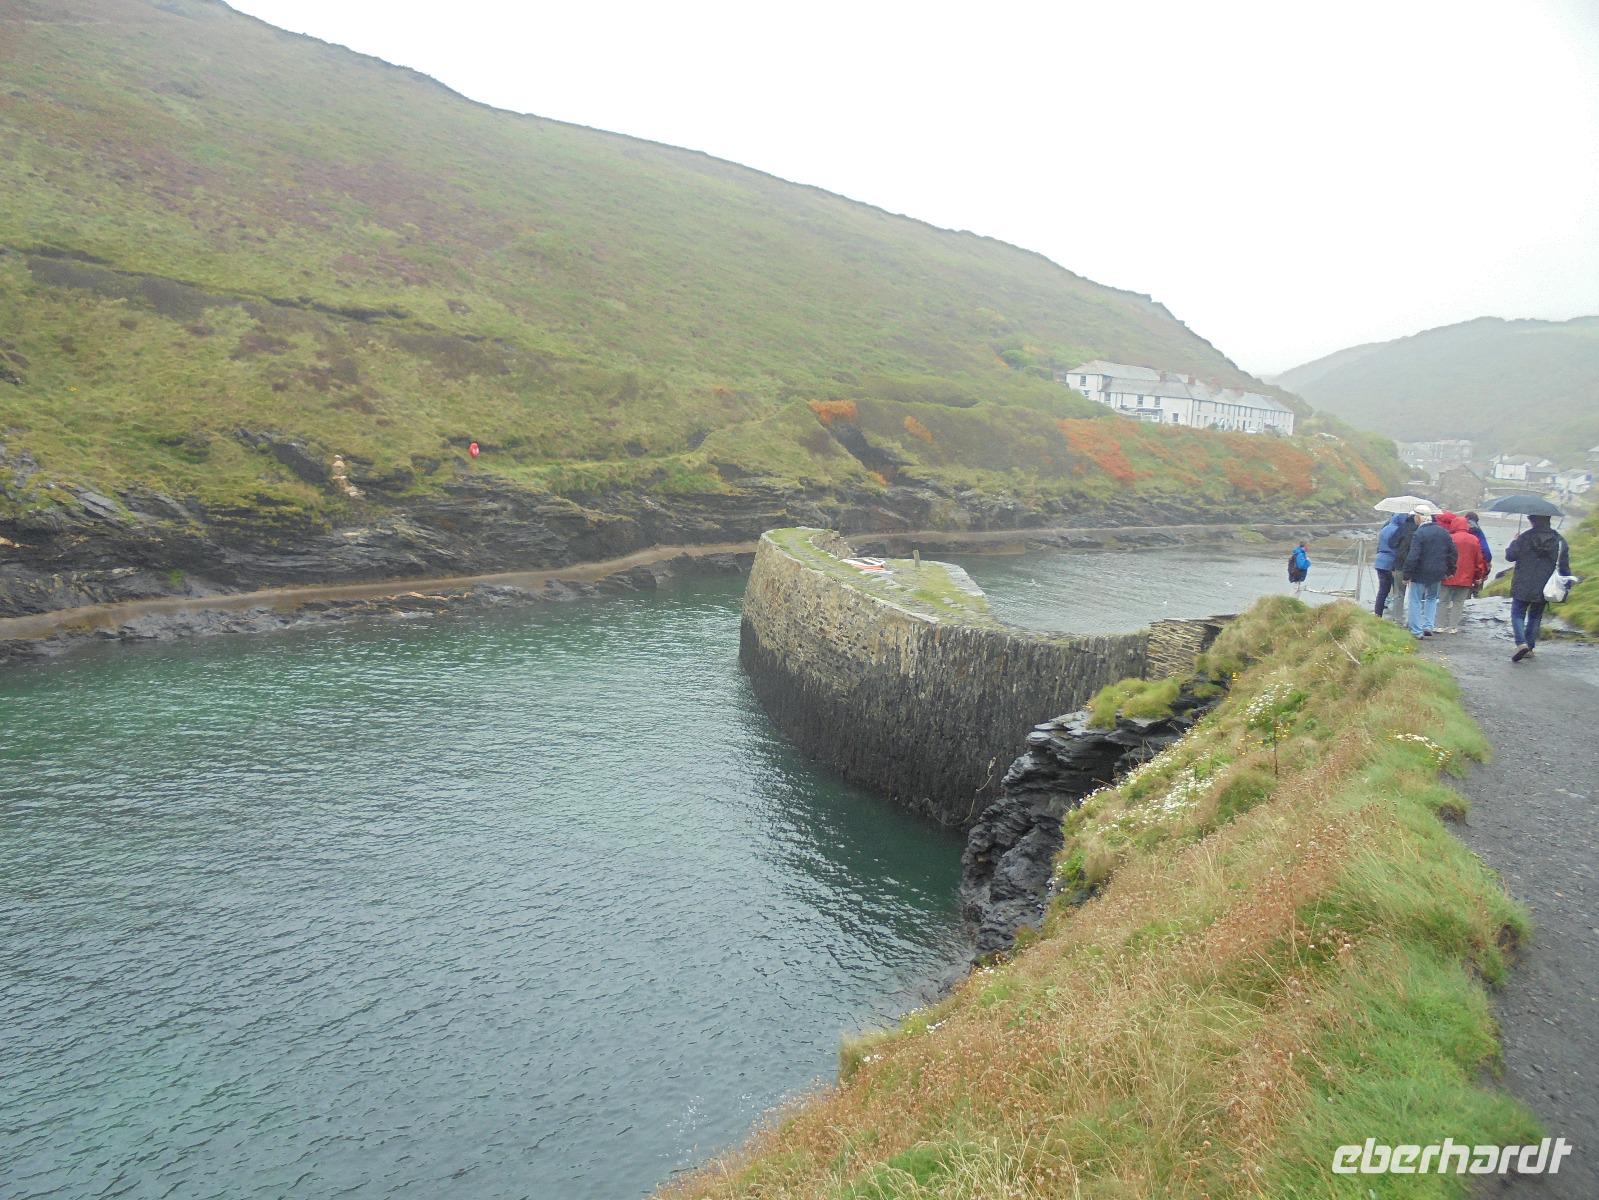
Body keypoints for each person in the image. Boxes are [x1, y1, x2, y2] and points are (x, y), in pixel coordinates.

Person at [1505, 514, 1572, 662]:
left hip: (1522, 582)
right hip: (1545, 584)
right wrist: (1567, 584)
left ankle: (1521, 643)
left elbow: (1510, 556)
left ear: (1533, 521)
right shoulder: (1559, 541)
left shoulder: (1524, 537)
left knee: (1517, 614)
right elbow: (1564, 566)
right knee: (1535, 616)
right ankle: (1529, 647)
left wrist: (1514, 541)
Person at [1403, 508, 1457, 639]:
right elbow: (1453, 553)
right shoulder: (1444, 532)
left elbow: (1413, 556)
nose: (1414, 519)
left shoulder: (1419, 534)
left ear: (1420, 517)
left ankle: (1416, 630)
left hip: (1420, 572)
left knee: (1415, 600)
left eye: (1415, 516)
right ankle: (1428, 625)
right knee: (1432, 599)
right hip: (1437, 573)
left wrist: (1407, 574)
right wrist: (1450, 570)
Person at [1436, 512, 1486, 633]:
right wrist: (1478, 576)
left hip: (1448, 576)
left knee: (1443, 601)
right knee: (1458, 602)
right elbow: (1479, 560)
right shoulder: (1474, 540)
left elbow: (1442, 556)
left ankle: (1439, 625)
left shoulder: (1449, 537)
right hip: (1466, 577)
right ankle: (1453, 627)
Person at [1372, 511, 1414, 619]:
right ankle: (1396, 616)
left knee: (1382, 590)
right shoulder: (1398, 530)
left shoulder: (1385, 528)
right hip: (1390, 562)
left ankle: (1377, 613)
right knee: (1397, 592)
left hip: (1379, 561)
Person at [1465, 512, 1493, 591]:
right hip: (1477, 565)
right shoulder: (1478, 531)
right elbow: (1485, 549)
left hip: (1461, 568)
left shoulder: (1456, 531)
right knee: (1477, 591)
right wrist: (1488, 562)